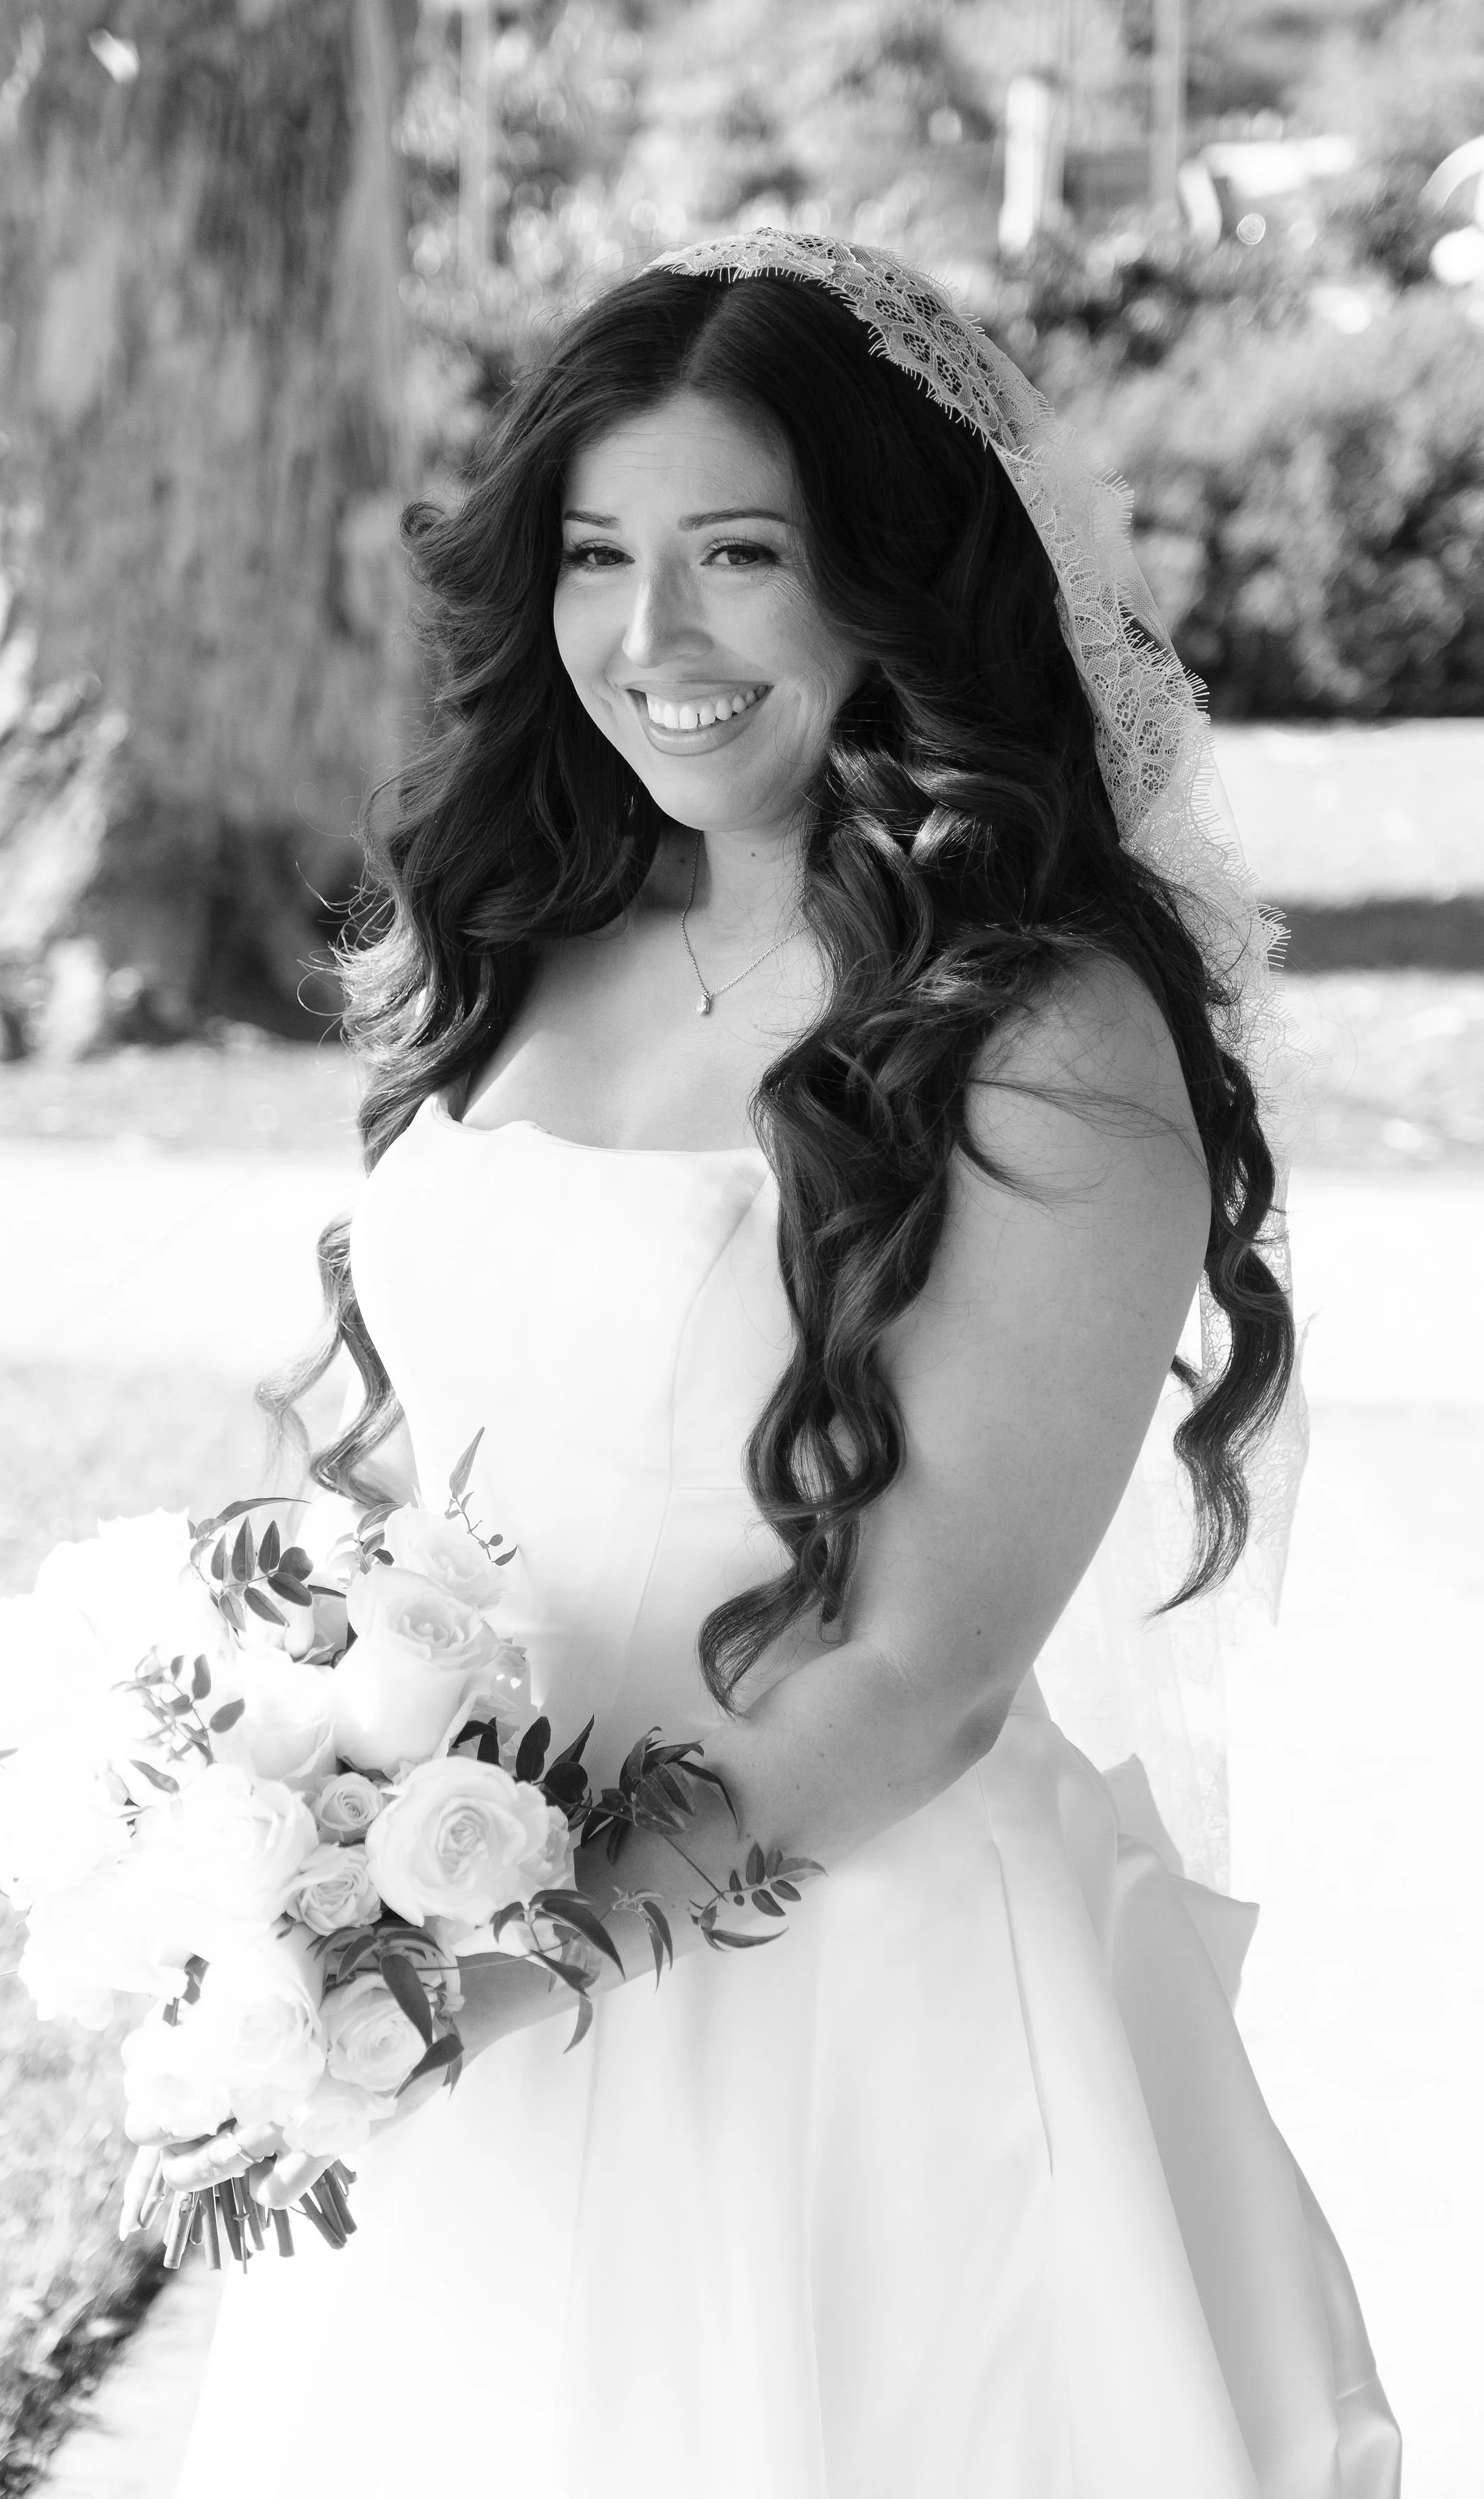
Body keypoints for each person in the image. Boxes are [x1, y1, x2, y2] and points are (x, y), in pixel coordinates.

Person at [167, 235, 1399, 2497]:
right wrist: (268, 1797)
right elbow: (427, 1441)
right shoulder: (534, 933)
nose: (655, 641)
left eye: (740, 554)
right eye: (598, 556)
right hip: (459, 1954)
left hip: (839, 1989)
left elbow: (927, 1664)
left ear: (895, 579)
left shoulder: (1036, 1035)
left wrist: (517, 1965)